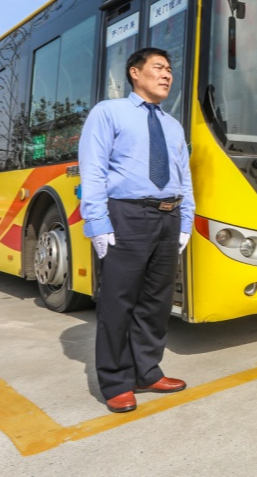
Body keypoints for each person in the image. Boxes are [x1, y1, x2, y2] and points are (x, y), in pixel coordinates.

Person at [79, 47, 195, 413]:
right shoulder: (108, 112)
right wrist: (97, 222)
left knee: (156, 302)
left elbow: (184, 176)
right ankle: (116, 381)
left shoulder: (173, 125)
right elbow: (93, 170)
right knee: (118, 301)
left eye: (170, 70)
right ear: (134, 72)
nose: (167, 75)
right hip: (126, 215)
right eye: (159, 67)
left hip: (168, 216)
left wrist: (186, 219)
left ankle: (147, 371)